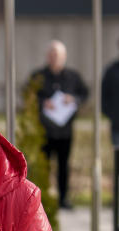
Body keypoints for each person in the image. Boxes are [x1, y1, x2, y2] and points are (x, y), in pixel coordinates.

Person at [30, 40, 89, 210]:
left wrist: (74, 99)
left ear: (64, 57)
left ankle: (64, 199)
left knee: (64, 165)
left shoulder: (73, 76)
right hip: (44, 130)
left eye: (58, 55)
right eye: (52, 54)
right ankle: (43, 199)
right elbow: (29, 95)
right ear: (48, 57)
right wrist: (43, 103)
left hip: (65, 131)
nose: (54, 58)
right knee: (43, 166)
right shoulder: (38, 76)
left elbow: (84, 93)